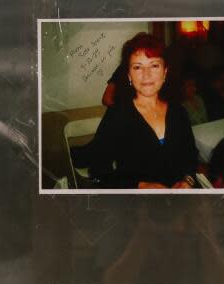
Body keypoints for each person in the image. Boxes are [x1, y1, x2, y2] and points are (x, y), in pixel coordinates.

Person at [72, 32, 199, 189]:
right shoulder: (117, 115)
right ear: (129, 75)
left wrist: (188, 180)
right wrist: (140, 185)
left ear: (165, 72)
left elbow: (191, 156)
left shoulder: (179, 112)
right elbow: (99, 170)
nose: (146, 75)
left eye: (154, 65)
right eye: (137, 67)